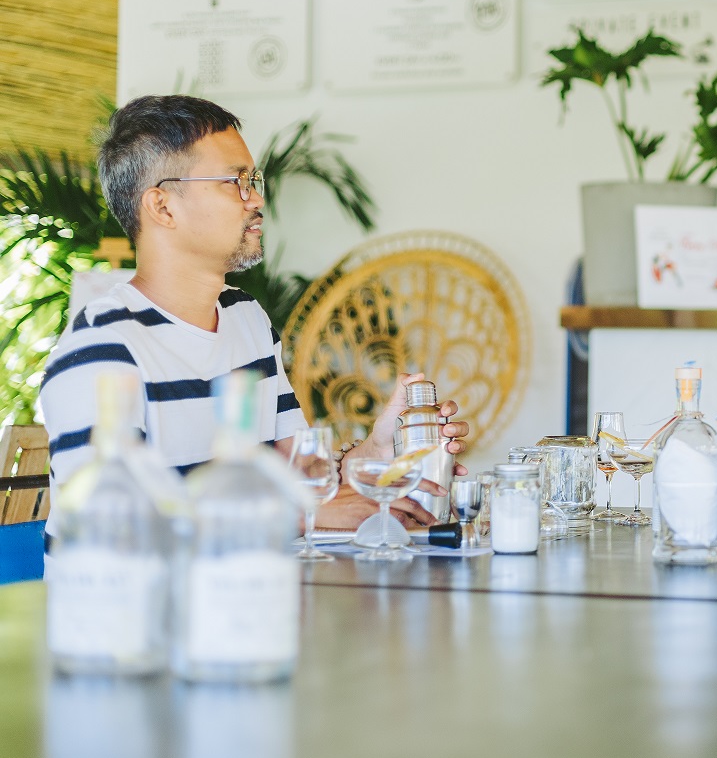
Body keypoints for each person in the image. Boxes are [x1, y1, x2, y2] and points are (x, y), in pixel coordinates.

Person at [39, 94, 470, 533]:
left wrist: (378, 452)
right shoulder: (102, 345)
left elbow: (298, 475)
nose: (257, 199)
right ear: (163, 206)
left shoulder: (244, 317)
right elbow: (102, 524)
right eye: (235, 182)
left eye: (253, 179)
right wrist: (301, 515)